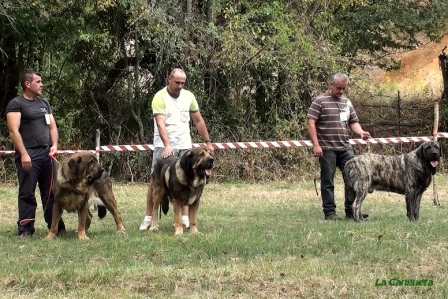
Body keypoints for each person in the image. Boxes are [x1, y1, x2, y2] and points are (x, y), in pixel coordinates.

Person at [139, 68, 214, 230]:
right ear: (169, 79)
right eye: (177, 82)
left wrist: (208, 142)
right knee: (156, 182)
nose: (180, 86)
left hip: (185, 146)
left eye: (183, 83)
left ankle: (184, 219)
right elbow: (160, 123)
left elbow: (198, 121)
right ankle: (148, 217)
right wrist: (167, 145)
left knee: (188, 183)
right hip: (164, 146)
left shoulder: (189, 97)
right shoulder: (160, 97)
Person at [6, 71, 66, 238]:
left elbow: (52, 127)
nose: (42, 85)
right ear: (27, 84)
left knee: (51, 192)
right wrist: (24, 154)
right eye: (38, 82)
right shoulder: (16, 104)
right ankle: (25, 229)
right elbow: (13, 131)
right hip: (28, 154)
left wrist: (54, 145)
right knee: (27, 192)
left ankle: (56, 227)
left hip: (47, 154)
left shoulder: (44, 103)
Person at [307, 73, 371, 221]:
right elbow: (311, 123)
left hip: (345, 148)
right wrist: (316, 145)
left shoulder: (347, 102)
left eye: (344, 89)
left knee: (353, 179)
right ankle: (330, 213)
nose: (341, 91)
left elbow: (353, 122)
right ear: (331, 85)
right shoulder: (319, 101)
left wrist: (361, 133)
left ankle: (352, 211)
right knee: (328, 181)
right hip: (326, 149)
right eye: (339, 88)